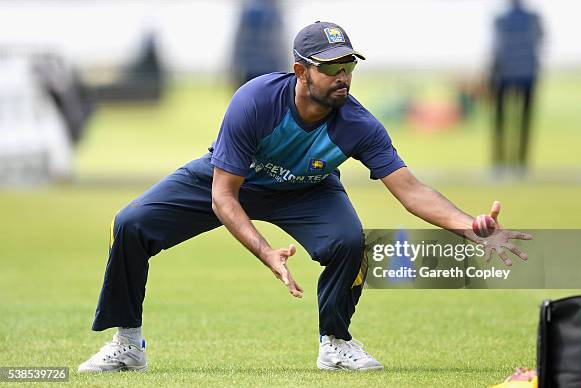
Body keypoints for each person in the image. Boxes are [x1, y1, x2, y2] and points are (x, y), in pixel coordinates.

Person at [78, 21, 531, 373]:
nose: (343, 76)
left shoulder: (360, 125)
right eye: (331, 67)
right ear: (301, 71)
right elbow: (223, 196)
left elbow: (410, 190)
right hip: (230, 179)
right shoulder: (255, 101)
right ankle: (127, 345)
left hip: (305, 190)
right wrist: (264, 251)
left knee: (349, 241)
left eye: (349, 65)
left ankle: (335, 344)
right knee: (131, 222)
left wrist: (467, 225)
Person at [490, 0, 544, 173]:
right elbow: (540, 38)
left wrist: (492, 71)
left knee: (501, 121)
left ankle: (500, 162)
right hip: (528, 73)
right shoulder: (533, 18)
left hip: (504, 74)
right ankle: (520, 162)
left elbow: (496, 46)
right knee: (524, 121)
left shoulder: (501, 18)